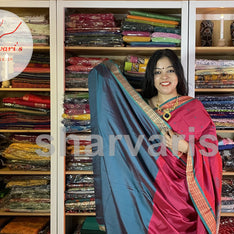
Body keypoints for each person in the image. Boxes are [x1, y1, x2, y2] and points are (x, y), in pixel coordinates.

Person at [88, 49, 222, 234]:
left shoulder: (193, 108)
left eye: (170, 70)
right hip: (145, 193)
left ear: (178, 74)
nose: (164, 77)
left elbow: (212, 152)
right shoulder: (139, 110)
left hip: (182, 198)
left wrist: (186, 148)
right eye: (157, 72)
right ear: (151, 77)